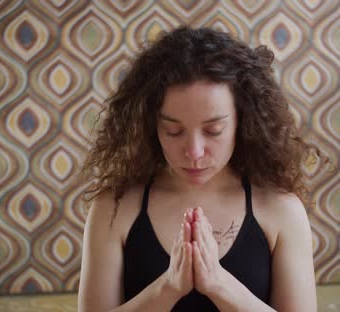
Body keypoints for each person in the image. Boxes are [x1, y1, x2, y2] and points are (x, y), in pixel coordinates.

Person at [77, 26, 318, 312]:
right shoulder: (113, 209)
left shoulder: (281, 209)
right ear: (152, 126)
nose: (193, 152)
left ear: (243, 122)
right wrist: (168, 288)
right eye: (174, 130)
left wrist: (218, 284)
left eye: (213, 130)